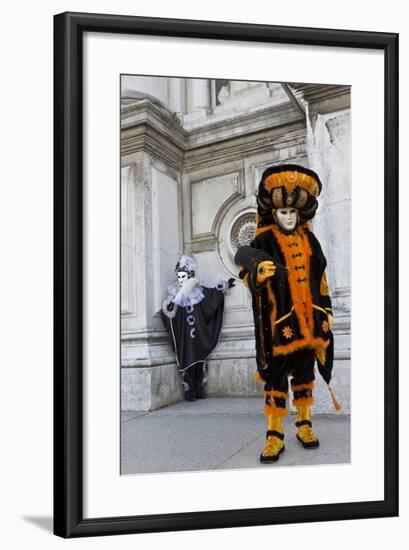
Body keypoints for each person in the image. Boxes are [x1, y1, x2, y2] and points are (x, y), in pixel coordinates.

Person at [234, 164, 340, 463]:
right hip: (278, 325)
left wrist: (327, 310)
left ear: (300, 213)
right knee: (276, 379)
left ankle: (305, 424)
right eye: (283, 213)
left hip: (309, 324)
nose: (289, 217)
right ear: (274, 213)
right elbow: (245, 269)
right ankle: (274, 434)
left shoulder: (311, 240)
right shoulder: (263, 241)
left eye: (293, 213)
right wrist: (258, 275)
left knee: (305, 376)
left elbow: (322, 279)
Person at [161, 255, 235, 401]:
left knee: (199, 360)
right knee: (188, 360)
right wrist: (171, 306)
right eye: (179, 276)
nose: (181, 279)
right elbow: (167, 312)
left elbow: (211, 296)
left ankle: (199, 388)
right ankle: (190, 390)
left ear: (189, 275)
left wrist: (222, 287)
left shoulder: (198, 291)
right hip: (184, 335)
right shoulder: (174, 294)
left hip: (198, 333)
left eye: (184, 276)